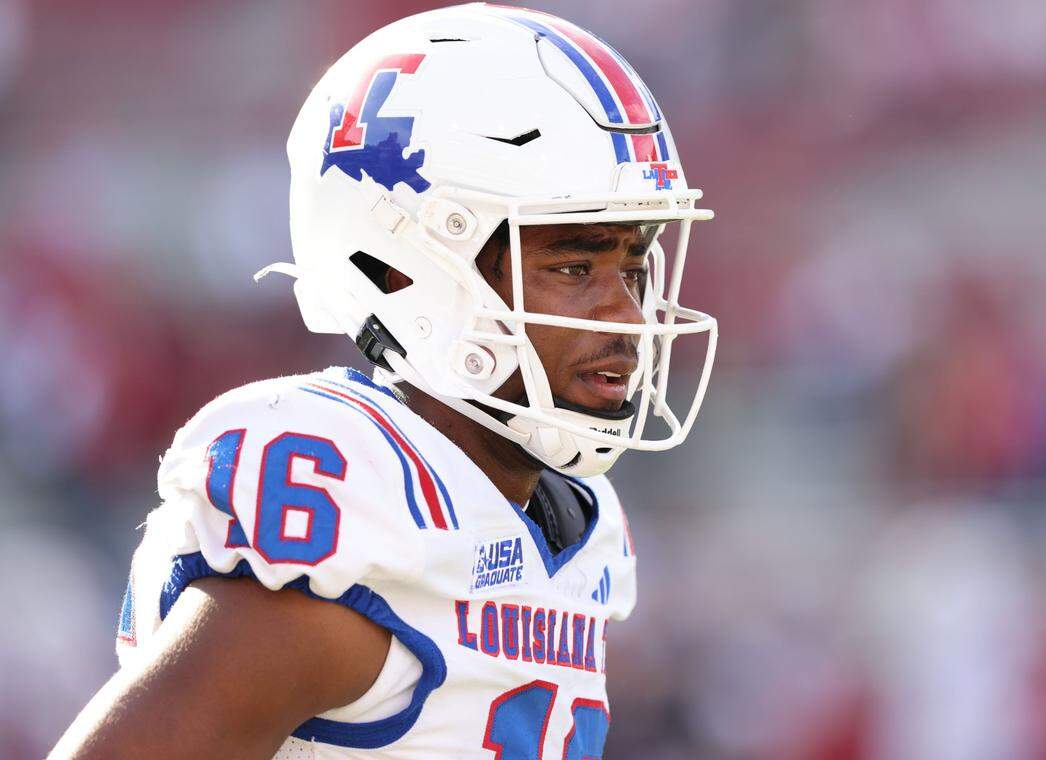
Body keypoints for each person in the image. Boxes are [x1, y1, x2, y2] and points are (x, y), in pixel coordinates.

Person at [52, 4, 717, 758]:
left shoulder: (578, 523)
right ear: (413, 265)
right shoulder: (364, 505)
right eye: (574, 266)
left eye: (633, 266)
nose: (627, 314)